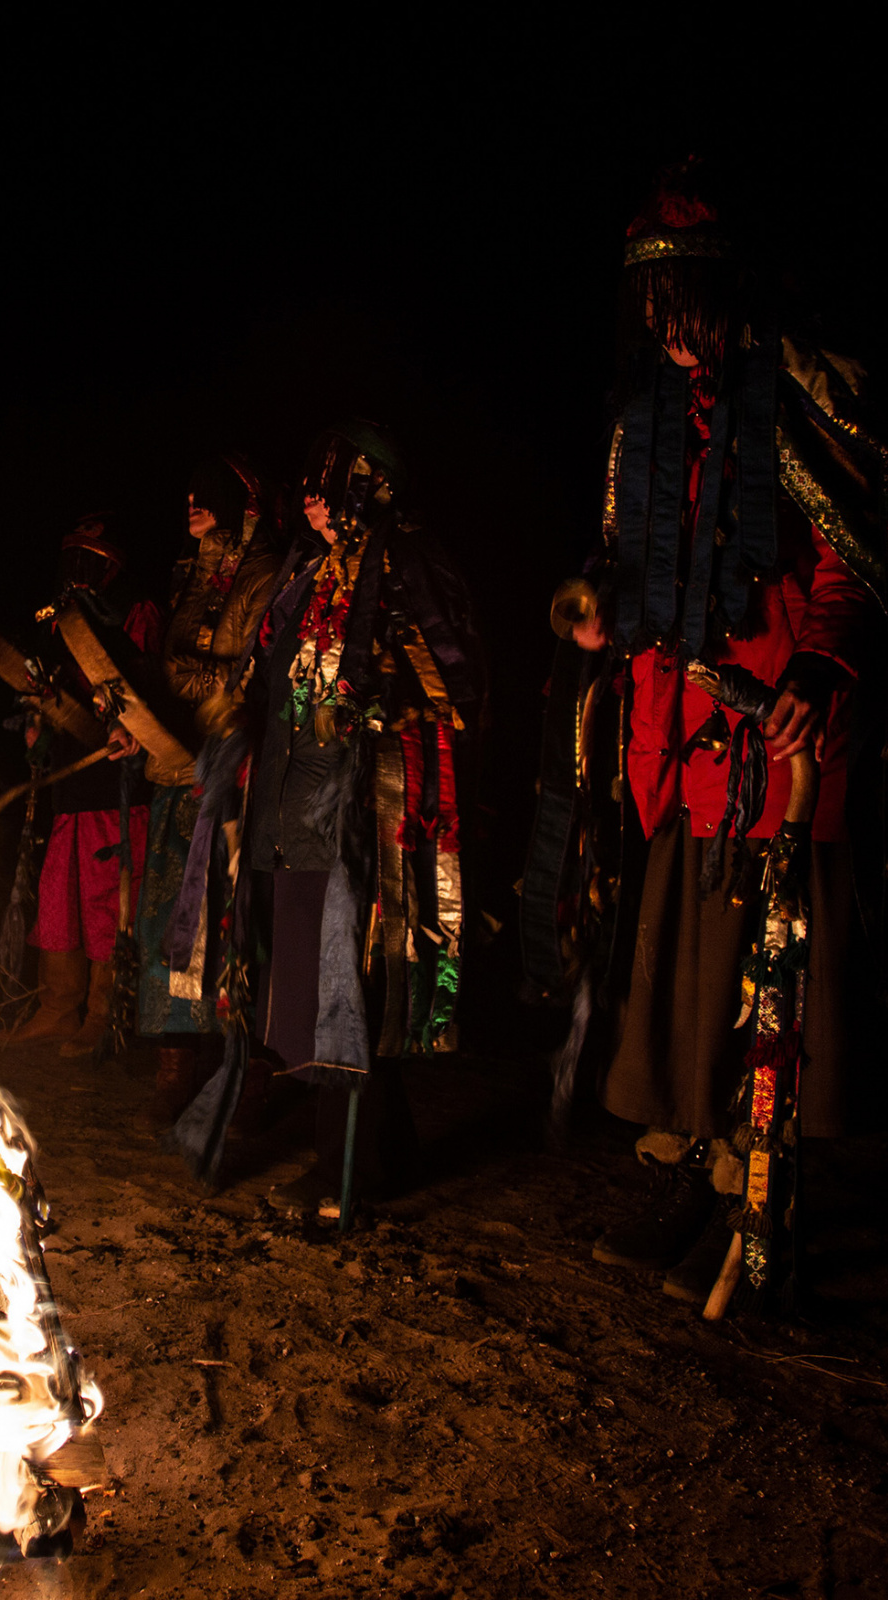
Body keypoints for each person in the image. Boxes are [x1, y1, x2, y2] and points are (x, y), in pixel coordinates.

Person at [557, 163, 888, 1302]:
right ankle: (685, 1169)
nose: (661, 327)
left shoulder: (797, 393)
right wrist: (603, 604)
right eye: (645, 305)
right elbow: (632, 557)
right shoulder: (646, 421)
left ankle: (754, 1186)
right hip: (684, 739)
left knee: (770, 975)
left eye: (679, 302)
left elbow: (855, 560)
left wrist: (818, 661)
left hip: (781, 742)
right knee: (679, 968)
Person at [227, 423, 484, 1218]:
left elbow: (458, 681)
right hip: (299, 807)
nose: (307, 493)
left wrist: (383, 698)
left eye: (327, 479)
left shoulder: (408, 559)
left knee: (349, 981)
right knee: (316, 983)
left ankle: (345, 1176)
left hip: (370, 809)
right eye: (305, 479)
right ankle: (387, 1152)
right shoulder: (305, 574)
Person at [136, 455, 284, 1122]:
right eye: (188, 492)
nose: (192, 502)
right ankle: (177, 1062)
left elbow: (253, 677)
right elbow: (170, 671)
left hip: (235, 775)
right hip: (177, 769)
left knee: (233, 920)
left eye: (208, 495)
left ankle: (246, 1069)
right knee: (171, 921)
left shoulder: (261, 574)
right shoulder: (188, 575)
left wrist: (185, 679)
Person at [8, 515, 164, 1057]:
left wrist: (133, 726)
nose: (77, 570)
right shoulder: (58, 619)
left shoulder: (135, 612)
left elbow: (147, 683)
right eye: (71, 556)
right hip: (70, 785)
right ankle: (57, 1006)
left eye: (89, 559)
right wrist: (37, 724)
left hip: (116, 784)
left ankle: (103, 1013)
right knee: (60, 896)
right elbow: (46, 685)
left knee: (106, 900)